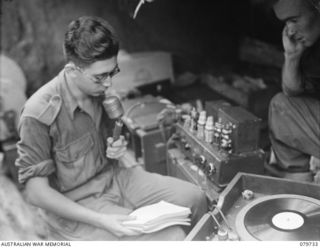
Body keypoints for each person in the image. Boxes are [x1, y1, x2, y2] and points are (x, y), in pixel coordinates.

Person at [15, 16, 207, 241]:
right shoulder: (38, 113)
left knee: (195, 198)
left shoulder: (102, 94)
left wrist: (116, 147)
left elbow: (110, 144)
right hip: (76, 204)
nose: (108, 83)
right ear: (72, 69)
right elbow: (35, 193)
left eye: (112, 72)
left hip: (116, 178)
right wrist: (102, 220)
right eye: (99, 77)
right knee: (171, 236)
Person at [267, 0, 320, 182]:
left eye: (294, 20)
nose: (290, 31)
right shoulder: (311, 47)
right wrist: (292, 56)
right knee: (281, 105)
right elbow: (291, 92)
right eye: (285, 23)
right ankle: (302, 184)